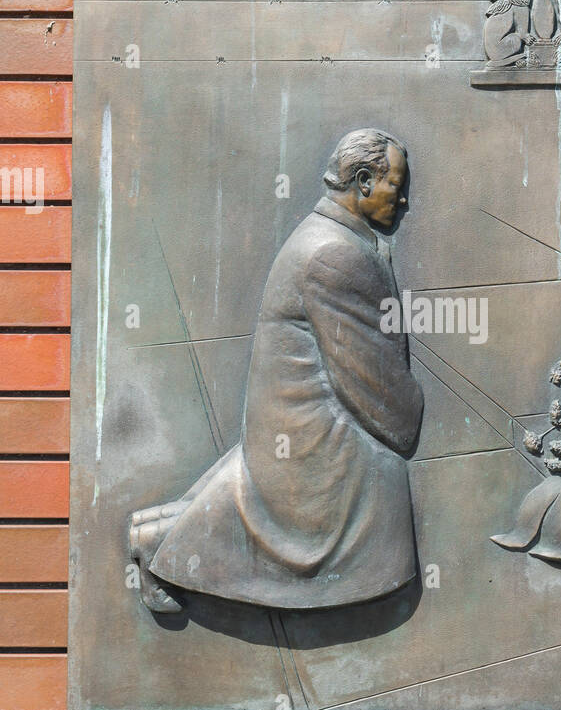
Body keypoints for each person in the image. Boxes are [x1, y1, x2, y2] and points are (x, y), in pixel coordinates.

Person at [129, 128, 424, 615]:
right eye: (396, 183)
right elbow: (375, 391)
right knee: (380, 490)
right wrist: (408, 412)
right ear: (365, 181)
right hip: (313, 444)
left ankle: (158, 536)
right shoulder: (334, 253)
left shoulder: (329, 239)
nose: (406, 197)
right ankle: (163, 546)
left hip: (292, 429)